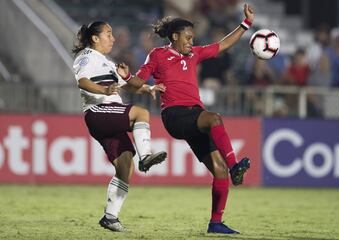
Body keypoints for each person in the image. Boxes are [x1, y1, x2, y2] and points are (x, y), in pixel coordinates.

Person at [125, 3, 254, 234]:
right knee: (214, 119)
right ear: (174, 37)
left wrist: (246, 24)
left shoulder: (194, 54)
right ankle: (235, 165)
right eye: (187, 38)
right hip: (175, 115)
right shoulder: (157, 55)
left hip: (194, 116)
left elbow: (222, 45)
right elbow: (136, 83)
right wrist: (128, 77)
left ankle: (215, 223)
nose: (191, 42)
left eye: (192, 38)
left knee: (219, 171)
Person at [71, 21, 167, 232]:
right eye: (108, 34)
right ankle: (146, 157)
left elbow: (129, 87)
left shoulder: (107, 63)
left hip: (109, 116)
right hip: (98, 112)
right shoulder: (87, 56)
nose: (112, 38)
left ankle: (110, 217)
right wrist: (103, 91)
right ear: (95, 39)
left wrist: (149, 88)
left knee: (125, 166)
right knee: (141, 113)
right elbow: (83, 81)